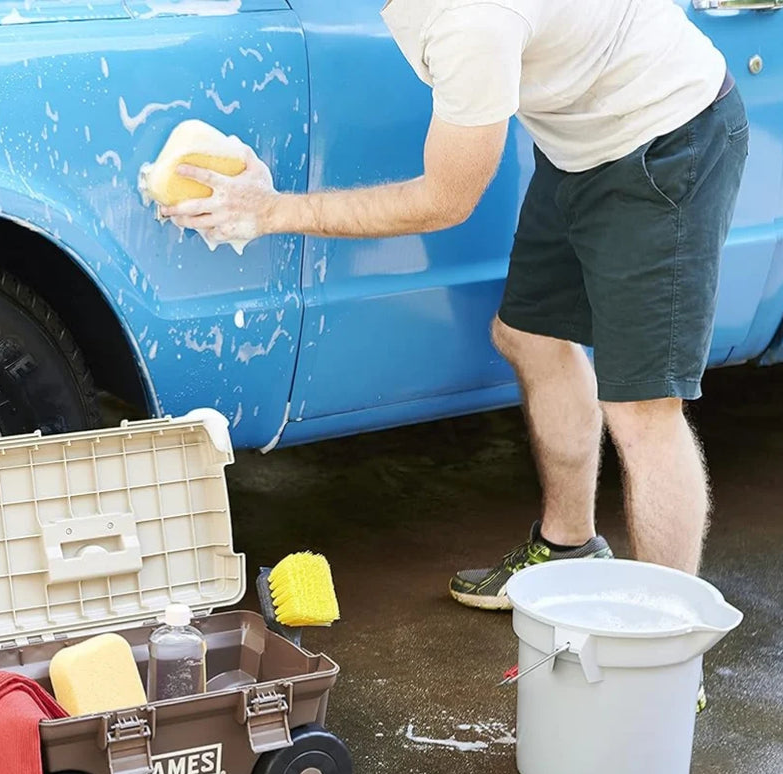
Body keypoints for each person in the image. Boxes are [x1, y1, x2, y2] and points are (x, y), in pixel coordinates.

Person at [162, 0, 749, 610]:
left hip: (666, 137)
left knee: (643, 410)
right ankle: (568, 548)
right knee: (528, 335)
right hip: (584, 141)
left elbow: (445, 199)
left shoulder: (470, 18)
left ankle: (670, 649)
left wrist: (272, 211)